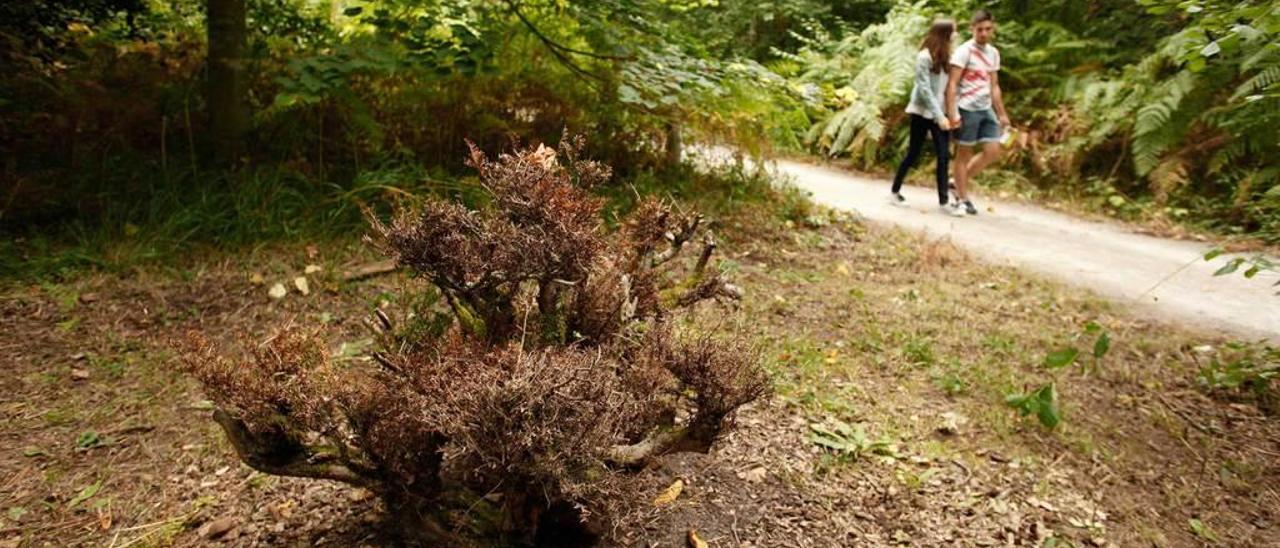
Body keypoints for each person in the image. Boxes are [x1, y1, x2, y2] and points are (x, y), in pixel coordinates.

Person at [891, 18, 965, 217]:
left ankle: (944, 201)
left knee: (943, 156)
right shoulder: (924, 57)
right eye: (954, 31)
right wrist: (939, 116)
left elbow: (951, 89)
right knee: (913, 153)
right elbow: (924, 90)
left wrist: (953, 113)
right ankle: (895, 191)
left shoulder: (949, 57)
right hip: (922, 112)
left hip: (940, 113)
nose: (956, 35)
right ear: (945, 34)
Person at [945, 9, 1010, 216]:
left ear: (993, 29)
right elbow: (952, 84)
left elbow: (994, 86)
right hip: (967, 108)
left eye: (988, 29)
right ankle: (962, 199)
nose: (984, 33)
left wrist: (1001, 113)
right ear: (972, 29)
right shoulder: (964, 52)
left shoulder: (993, 53)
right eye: (980, 29)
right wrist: (953, 113)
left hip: (986, 108)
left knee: (993, 151)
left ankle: (956, 183)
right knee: (963, 155)